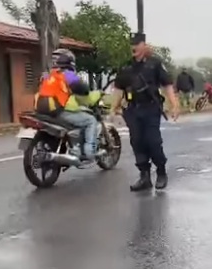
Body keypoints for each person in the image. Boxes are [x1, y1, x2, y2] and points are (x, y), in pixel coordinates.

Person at [111, 33, 180, 191]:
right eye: (131, 44)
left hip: (150, 108)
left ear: (144, 45)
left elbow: (167, 84)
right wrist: (113, 108)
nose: (133, 47)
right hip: (132, 110)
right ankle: (144, 176)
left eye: (137, 44)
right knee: (137, 142)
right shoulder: (126, 67)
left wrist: (174, 105)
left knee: (153, 142)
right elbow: (118, 89)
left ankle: (161, 173)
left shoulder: (154, 64)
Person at [36, 48, 98, 162]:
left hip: (41, 112)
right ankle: (89, 151)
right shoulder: (68, 75)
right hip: (57, 112)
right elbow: (83, 89)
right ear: (69, 61)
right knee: (90, 121)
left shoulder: (47, 75)